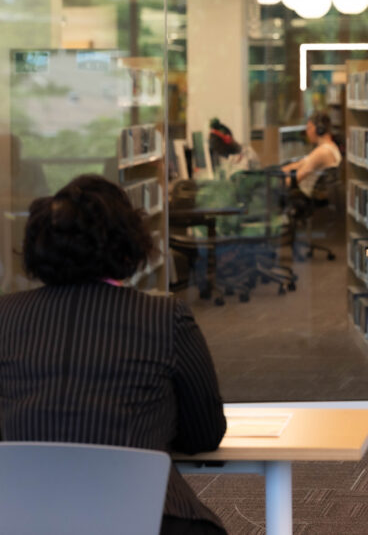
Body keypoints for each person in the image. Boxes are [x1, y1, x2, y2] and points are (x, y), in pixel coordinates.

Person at [0, 175, 227, 535]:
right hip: (149, 517)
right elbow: (205, 434)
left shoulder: (6, 316)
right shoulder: (165, 318)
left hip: (25, 519)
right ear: (129, 244)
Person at [281, 110, 342, 204]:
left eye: (309, 127)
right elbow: (300, 163)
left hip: (305, 198)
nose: (307, 131)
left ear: (319, 129)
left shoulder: (322, 152)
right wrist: (280, 170)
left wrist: (274, 183)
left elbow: (296, 178)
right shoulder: (329, 147)